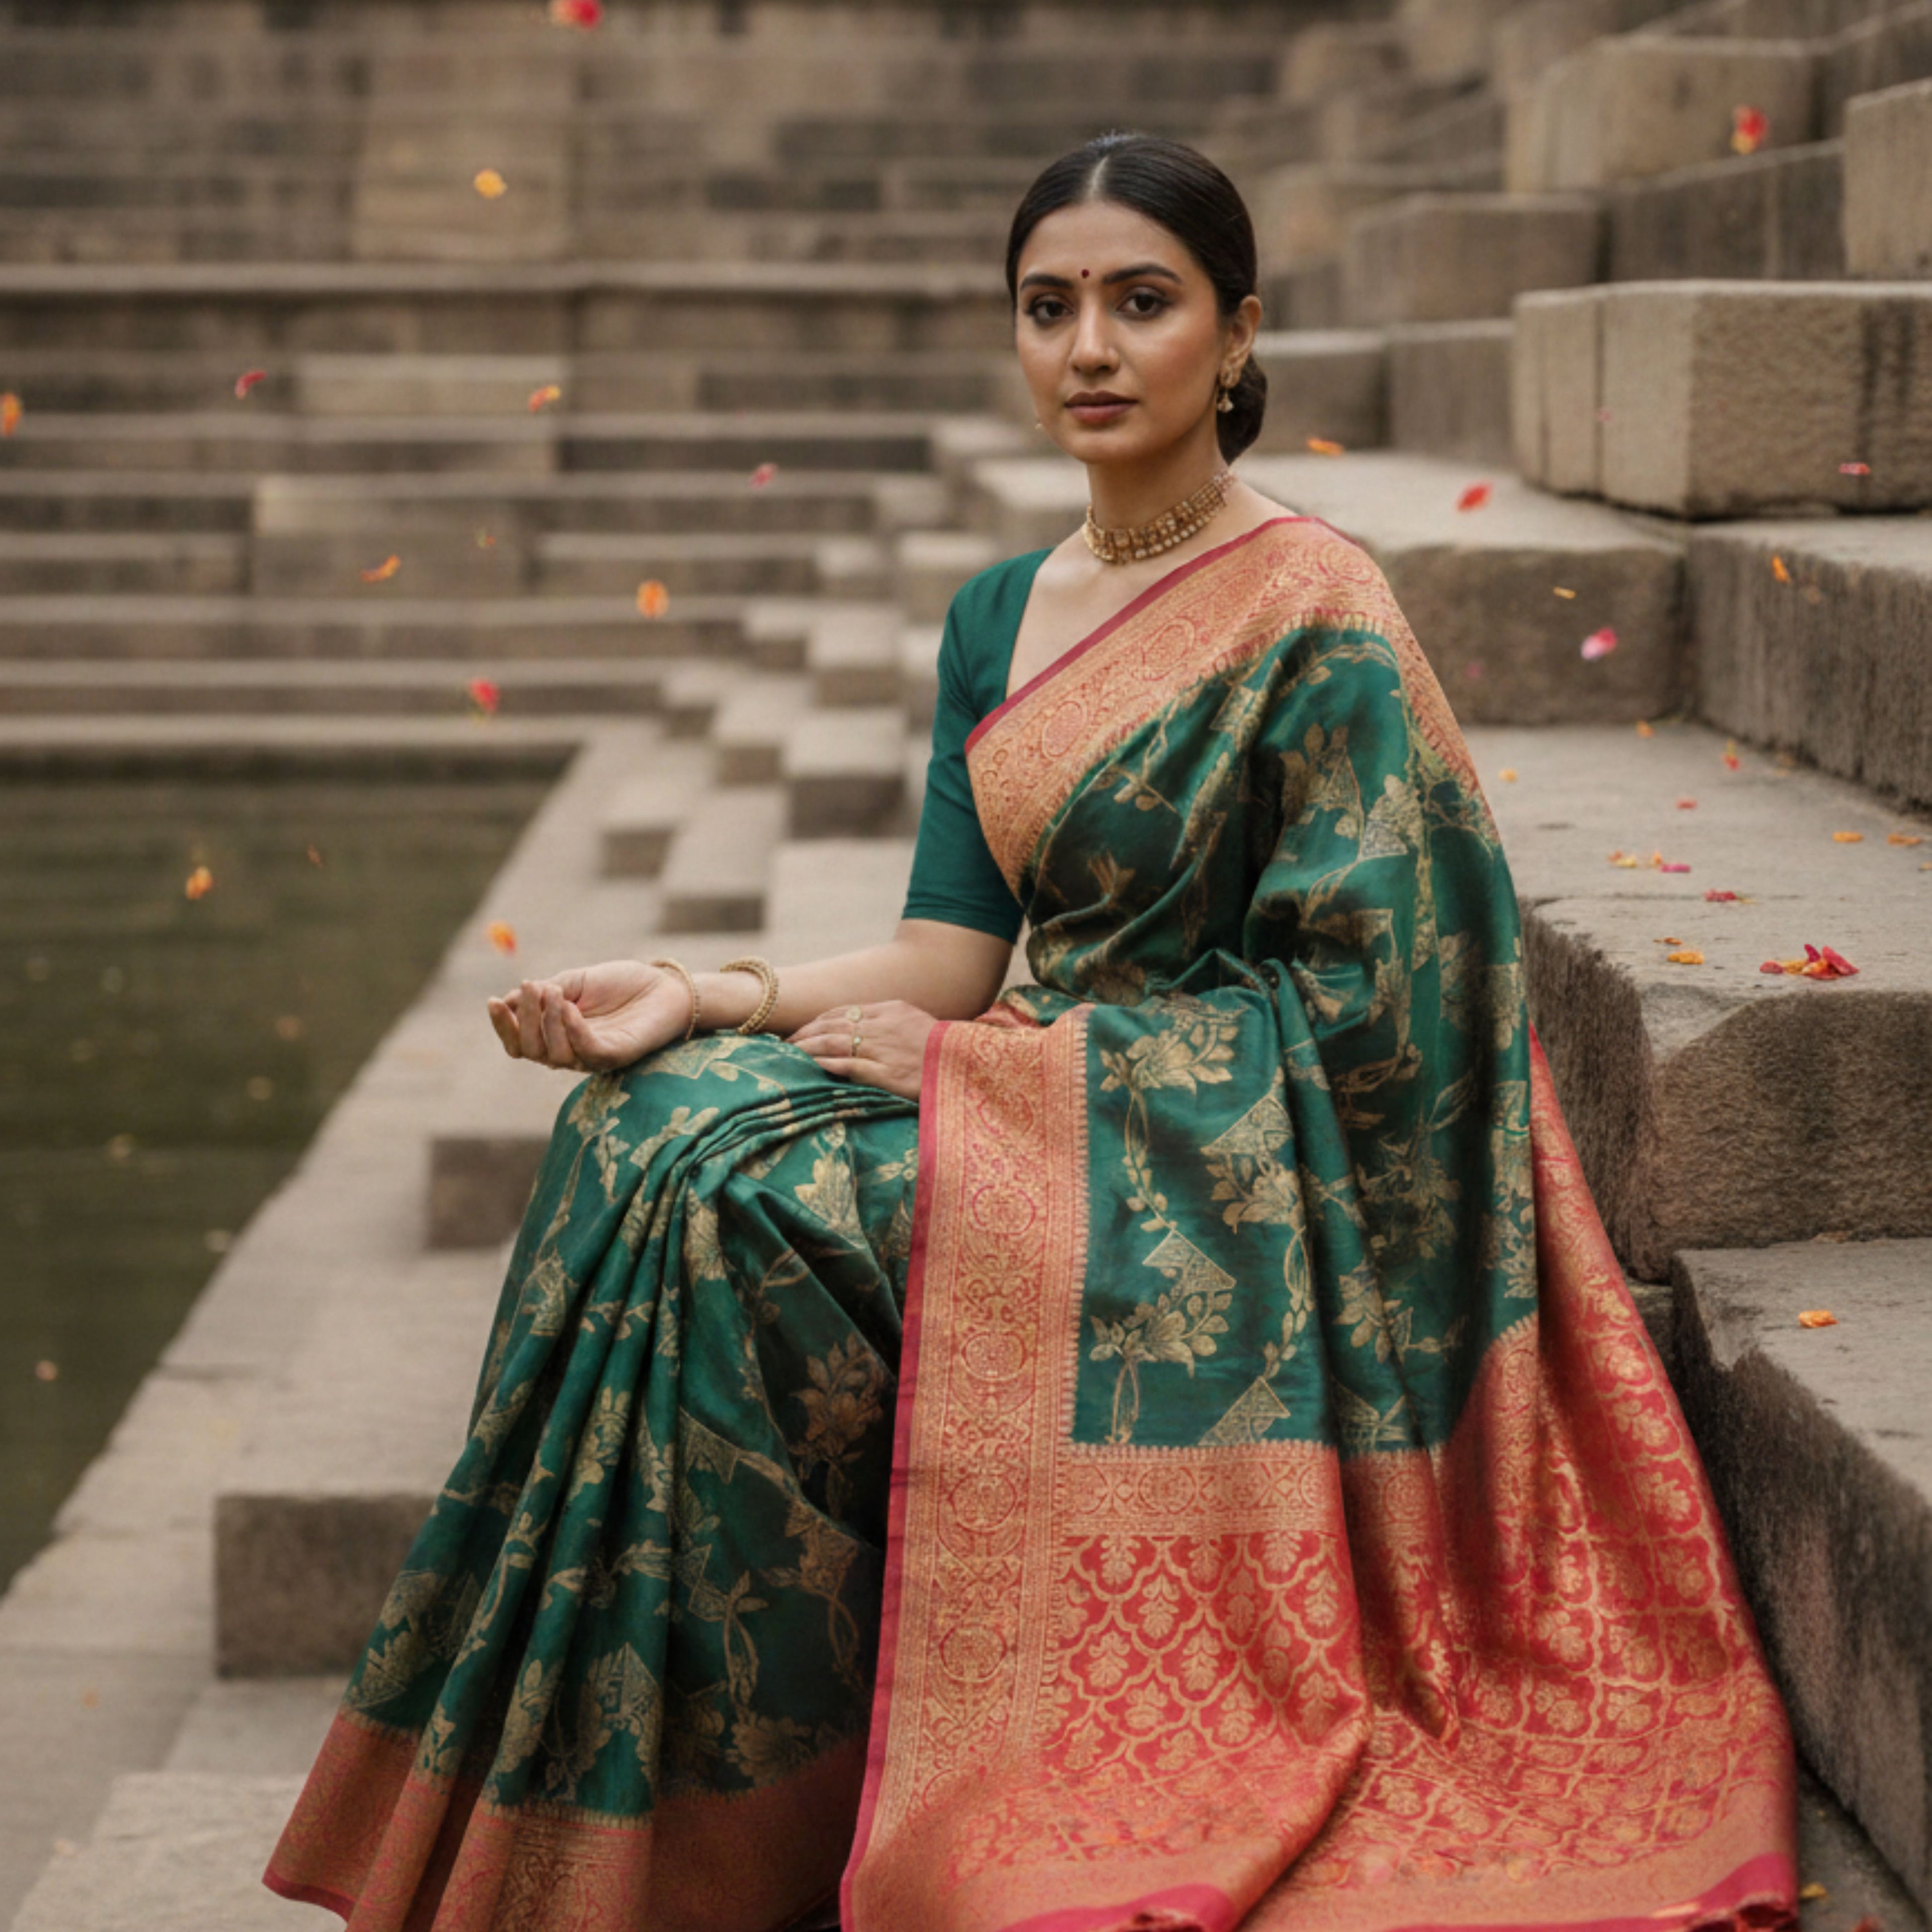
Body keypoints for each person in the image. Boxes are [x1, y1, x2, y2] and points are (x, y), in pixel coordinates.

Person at [265, 133, 1797, 1932]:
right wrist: (710, 993)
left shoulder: (1322, 615)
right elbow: (946, 950)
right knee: (644, 1129)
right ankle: (655, 1830)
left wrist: (1014, 1082)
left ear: (1236, 338)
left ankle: (791, 1811)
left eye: (1141, 303)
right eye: (1047, 306)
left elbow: (1399, 1018)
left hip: (1214, 1189)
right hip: (1023, 1105)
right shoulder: (999, 615)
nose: (1088, 345)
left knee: (752, 1220)